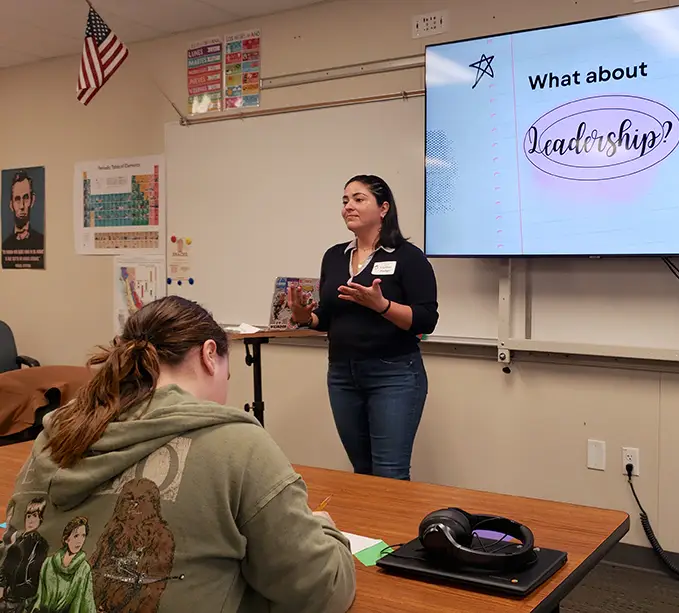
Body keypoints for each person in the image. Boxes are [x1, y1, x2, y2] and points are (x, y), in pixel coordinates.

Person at [0, 296, 356, 613]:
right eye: (227, 376)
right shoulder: (236, 443)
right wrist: (326, 530)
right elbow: (320, 593)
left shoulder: (57, 431)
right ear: (209, 354)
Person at [287, 174, 439, 481]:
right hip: (342, 374)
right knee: (362, 474)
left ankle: (392, 531)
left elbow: (426, 321)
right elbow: (328, 318)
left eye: (358, 199)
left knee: (389, 474)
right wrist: (305, 316)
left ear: (383, 208)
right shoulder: (333, 257)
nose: (348, 207)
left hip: (394, 374)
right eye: (345, 201)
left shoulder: (408, 257)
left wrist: (381, 306)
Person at [2, 170, 44, 254]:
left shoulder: (41, 241)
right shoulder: (5, 245)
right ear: (11, 205)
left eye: (25, 198)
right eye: (17, 199)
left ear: (32, 200)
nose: (22, 206)